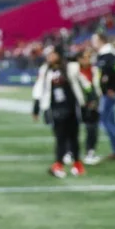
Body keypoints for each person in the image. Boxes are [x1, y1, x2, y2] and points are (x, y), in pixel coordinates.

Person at [33, 46, 88, 178]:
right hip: (55, 109)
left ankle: (77, 164)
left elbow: (84, 82)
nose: (49, 57)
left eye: (52, 54)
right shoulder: (45, 69)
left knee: (74, 137)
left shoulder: (71, 67)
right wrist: (36, 108)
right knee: (60, 138)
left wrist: (89, 99)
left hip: (72, 107)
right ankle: (58, 164)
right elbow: (39, 88)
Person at [93, 32, 115, 160]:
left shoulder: (109, 54)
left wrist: (111, 87)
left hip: (109, 93)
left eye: (95, 40)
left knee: (107, 121)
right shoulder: (106, 54)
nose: (93, 43)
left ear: (101, 40)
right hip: (107, 92)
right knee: (109, 120)